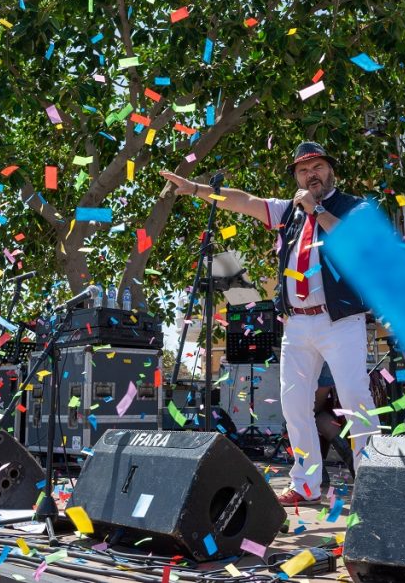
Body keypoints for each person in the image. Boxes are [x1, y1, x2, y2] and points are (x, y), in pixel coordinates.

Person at [160, 142, 379, 506]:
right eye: (304, 170)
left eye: (319, 167)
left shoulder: (353, 207)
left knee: (357, 400)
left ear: (331, 170)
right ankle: (306, 484)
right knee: (294, 405)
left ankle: (373, 484)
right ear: (296, 176)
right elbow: (243, 200)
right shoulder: (288, 211)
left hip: (340, 319)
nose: (312, 175)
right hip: (298, 323)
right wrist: (196, 189)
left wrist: (318, 209)